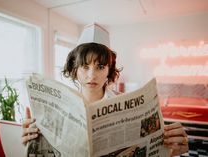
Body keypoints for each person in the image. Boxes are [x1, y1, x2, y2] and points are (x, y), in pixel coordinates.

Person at [22, 42, 188, 157]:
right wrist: (30, 140)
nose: (91, 75)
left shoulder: (128, 105)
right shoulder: (59, 107)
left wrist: (173, 149)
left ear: (109, 71)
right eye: (85, 66)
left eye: (100, 67)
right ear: (75, 70)